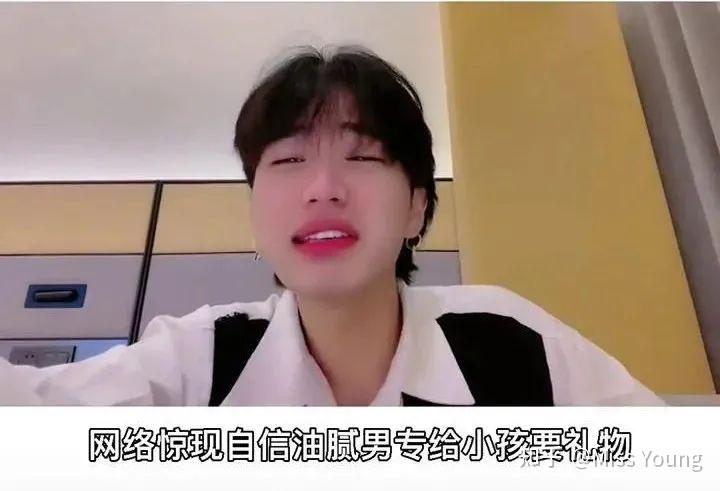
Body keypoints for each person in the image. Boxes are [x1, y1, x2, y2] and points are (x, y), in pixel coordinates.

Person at [0, 46, 662, 406]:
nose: (323, 187)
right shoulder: (199, 361)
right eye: (288, 160)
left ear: (417, 207)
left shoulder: (511, 347)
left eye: (363, 157)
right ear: (255, 214)